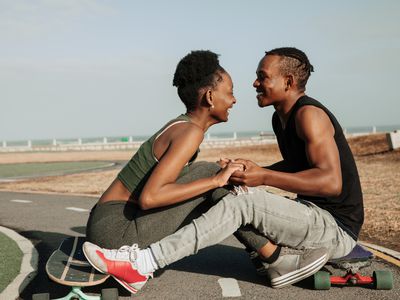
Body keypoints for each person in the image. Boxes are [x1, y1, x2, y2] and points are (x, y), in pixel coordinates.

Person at [83, 47, 363, 293]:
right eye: (230, 92)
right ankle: (276, 260)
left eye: (262, 76)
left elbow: (330, 182)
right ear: (209, 97)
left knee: (232, 191)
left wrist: (259, 175)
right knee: (217, 177)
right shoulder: (280, 119)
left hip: (333, 227)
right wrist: (250, 172)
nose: (253, 84)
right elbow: (297, 168)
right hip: (116, 228)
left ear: (288, 81)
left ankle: (145, 262)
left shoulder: (309, 115)